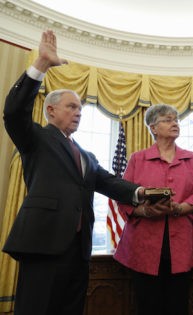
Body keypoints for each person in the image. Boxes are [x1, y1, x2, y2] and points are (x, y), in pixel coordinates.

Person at [2, 30, 147, 315]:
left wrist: (140, 193)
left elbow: (109, 182)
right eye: (71, 107)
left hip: (79, 249)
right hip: (43, 243)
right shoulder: (36, 139)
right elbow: (13, 111)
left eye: (81, 108)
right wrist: (41, 65)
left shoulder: (86, 155)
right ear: (51, 110)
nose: (78, 113)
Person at [114, 104, 193, 315]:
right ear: (153, 128)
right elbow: (122, 195)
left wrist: (181, 207)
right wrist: (144, 212)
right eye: (168, 120)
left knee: (177, 305)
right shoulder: (137, 159)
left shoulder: (192, 159)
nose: (175, 123)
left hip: (183, 244)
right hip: (143, 246)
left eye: (176, 120)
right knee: (148, 306)